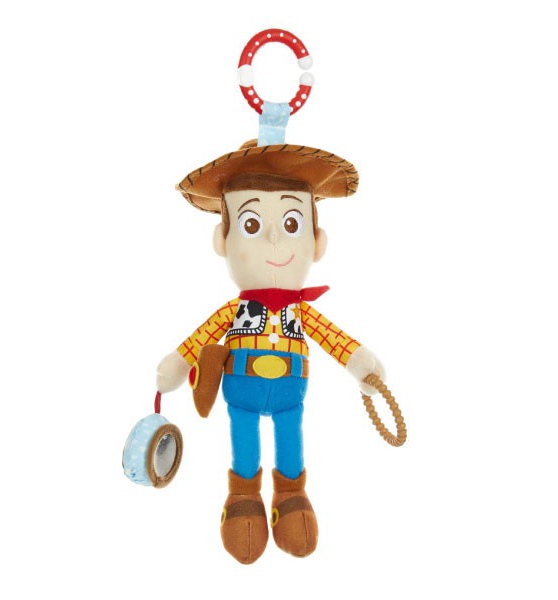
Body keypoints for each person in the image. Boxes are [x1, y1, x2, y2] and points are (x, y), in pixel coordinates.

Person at [155, 140, 385, 564]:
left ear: (317, 243)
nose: (275, 237)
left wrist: (360, 364)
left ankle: (291, 494)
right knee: (244, 442)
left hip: (289, 396)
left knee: (290, 439)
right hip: (241, 393)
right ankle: (243, 496)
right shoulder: (234, 310)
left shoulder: (301, 311)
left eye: (292, 223)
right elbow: (201, 338)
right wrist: (178, 363)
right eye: (252, 224)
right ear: (222, 240)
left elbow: (333, 338)